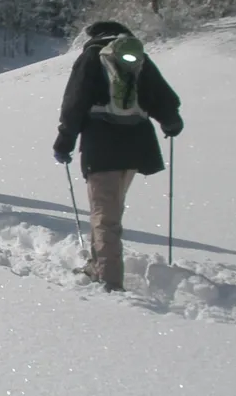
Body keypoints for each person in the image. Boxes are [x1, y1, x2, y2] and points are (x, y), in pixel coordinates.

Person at [53, 20, 183, 292]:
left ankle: (110, 282)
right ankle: (98, 265)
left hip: (102, 146)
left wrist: (64, 142)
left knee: (104, 215)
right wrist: (170, 121)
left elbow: (74, 103)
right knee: (109, 209)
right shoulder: (138, 58)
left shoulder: (91, 57)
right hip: (137, 146)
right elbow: (164, 97)